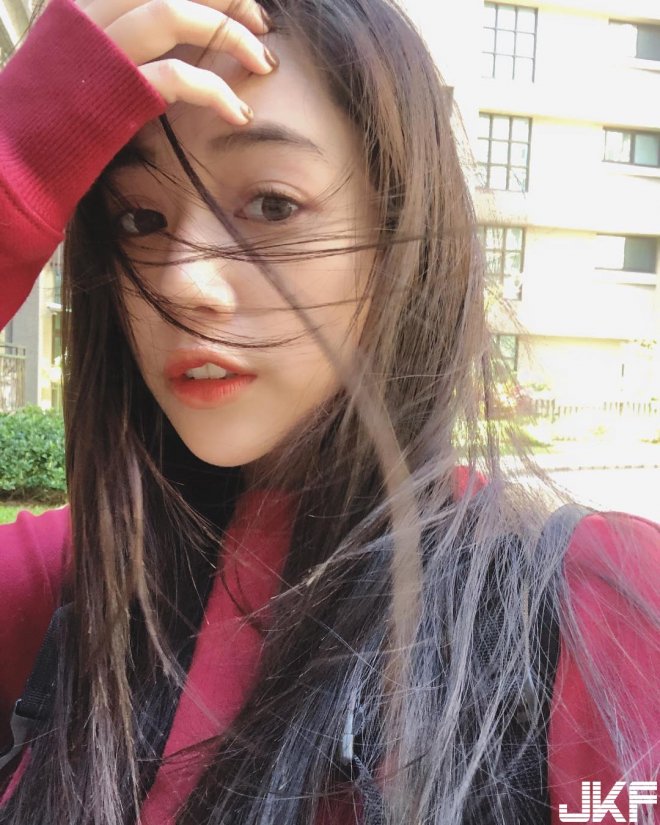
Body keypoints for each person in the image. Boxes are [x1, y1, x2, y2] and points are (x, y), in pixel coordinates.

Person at [0, 0, 658, 822]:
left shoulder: (591, 607)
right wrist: (15, 164)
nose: (182, 280)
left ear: (399, 234)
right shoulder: (86, 578)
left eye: (272, 205)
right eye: (141, 219)